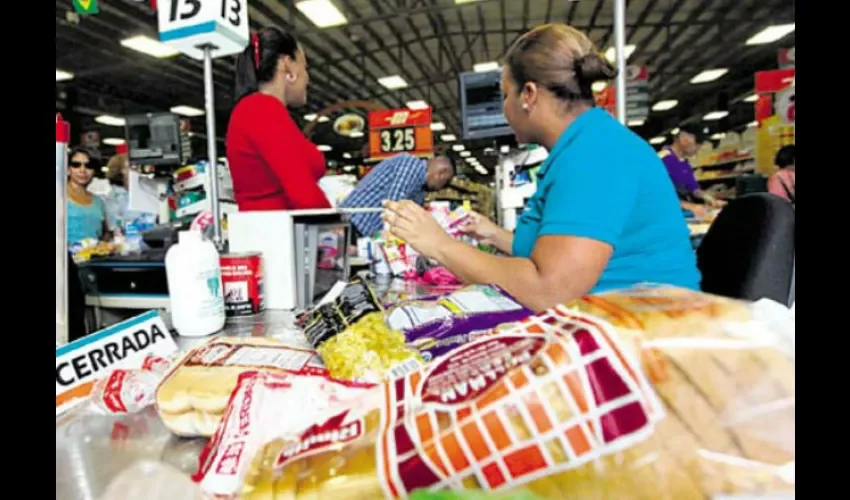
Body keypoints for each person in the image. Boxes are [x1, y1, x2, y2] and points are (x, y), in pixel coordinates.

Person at [382, 24, 700, 312]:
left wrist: (439, 244)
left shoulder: (596, 155)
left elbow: (548, 288)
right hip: (620, 323)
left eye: (506, 95)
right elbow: (555, 250)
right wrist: (491, 233)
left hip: (647, 340)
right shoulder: (582, 146)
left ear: (529, 95)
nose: (504, 108)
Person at [226, 27, 330, 211]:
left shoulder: (257, 110)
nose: (308, 78)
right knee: (398, 166)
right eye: (305, 67)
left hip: (279, 231)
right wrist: (338, 234)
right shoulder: (261, 109)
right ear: (287, 65)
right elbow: (305, 195)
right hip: (283, 234)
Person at [339, 153, 455, 238]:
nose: (440, 188)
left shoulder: (421, 189)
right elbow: (393, 207)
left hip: (364, 233)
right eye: (445, 183)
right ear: (441, 174)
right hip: (353, 225)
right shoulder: (411, 164)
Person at [659, 127, 724, 209]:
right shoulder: (662, 159)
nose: (698, 149)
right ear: (685, 139)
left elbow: (694, 188)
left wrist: (711, 200)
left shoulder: (684, 162)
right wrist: (690, 206)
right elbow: (657, 194)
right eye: (697, 144)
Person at [67, 147, 110, 245]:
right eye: (76, 165)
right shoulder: (59, 195)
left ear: (94, 171)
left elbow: (105, 234)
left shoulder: (98, 202)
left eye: (89, 165)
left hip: (94, 257)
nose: (82, 170)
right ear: (68, 169)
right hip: (64, 258)